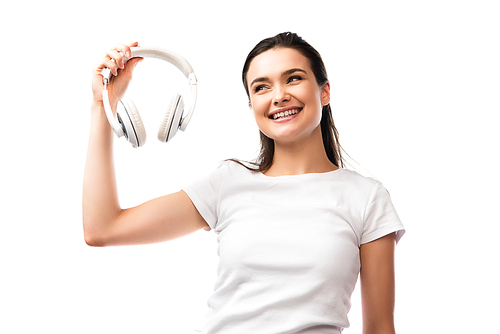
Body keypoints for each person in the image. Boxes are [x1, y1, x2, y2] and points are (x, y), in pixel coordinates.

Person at [84, 32, 405, 334]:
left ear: (324, 91)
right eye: (262, 87)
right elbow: (103, 228)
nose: (279, 96)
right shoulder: (229, 183)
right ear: (253, 106)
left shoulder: (366, 198)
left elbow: (379, 327)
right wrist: (103, 106)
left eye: (293, 78)